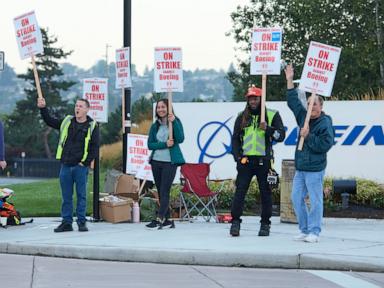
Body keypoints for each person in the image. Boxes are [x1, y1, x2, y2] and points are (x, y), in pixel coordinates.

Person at [285, 64, 334, 243]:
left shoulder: (325, 123)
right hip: (301, 167)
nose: (312, 107)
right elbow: (292, 101)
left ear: (321, 106)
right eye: (309, 103)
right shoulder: (303, 116)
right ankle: (304, 230)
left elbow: (325, 145)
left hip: (315, 169)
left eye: (315, 104)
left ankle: (315, 231)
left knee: (315, 201)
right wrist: (289, 79)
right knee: (296, 198)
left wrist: (308, 136)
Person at [230, 85, 285, 237]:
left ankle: (265, 225)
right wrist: (237, 157)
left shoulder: (272, 114)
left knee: (266, 193)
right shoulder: (242, 116)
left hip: (264, 161)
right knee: (240, 192)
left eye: (255, 98)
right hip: (246, 162)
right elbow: (235, 139)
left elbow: (281, 136)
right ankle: (235, 223)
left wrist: (267, 128)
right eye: (250, 98)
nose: (253, 101)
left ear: (261, 99)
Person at [37, 97, 99, 233]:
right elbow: (50, 121)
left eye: (81, 106)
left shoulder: (92, 126)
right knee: (66, 197)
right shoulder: (67, 122)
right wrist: (43, 108)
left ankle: (81, 222)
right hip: (65, 165)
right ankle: (67, 223)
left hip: (80, 167)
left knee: (81, 195)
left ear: (87, 109)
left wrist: (85, 163)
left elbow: (95, 148)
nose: (77, 108)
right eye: (76, 106)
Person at [146, 98, 185, 229]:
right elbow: (150, 145)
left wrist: (173, 122)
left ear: (169, 108)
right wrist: (164, 144)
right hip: (156, 162)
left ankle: (159, 218)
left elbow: (180, 139)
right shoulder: (155, 125)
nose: (161, 109)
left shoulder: (175, 122)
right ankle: (168, 220)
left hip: (170, 162)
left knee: (164, 190)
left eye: (163, 107)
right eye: (158, 107)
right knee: (160, 191)